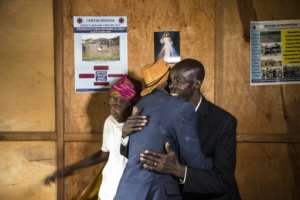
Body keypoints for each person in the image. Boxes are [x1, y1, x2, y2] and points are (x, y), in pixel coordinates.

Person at [124, 58, 241, 200]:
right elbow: (143, 155)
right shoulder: (161, 111)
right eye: (171, 81)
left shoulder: (223, 122)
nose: (172, 86)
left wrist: (179, 170)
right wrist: (125, 135)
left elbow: (223, 182)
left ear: (197, 84)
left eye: (178, 81)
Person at [114, 59, 212, 200]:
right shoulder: (181, 108)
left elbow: (133, 153)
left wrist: (124, 136)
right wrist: (213, 163)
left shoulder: (140, 105)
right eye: (174, 79)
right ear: (168, 80)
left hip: (127, 192)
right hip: (157, 193)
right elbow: (195, 163)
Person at [44, 76, 140, 200]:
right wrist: (71, 168)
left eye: (119, 104)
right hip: (107, 192)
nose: (113, 110)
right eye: (112, 104)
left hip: (130, 193)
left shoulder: (139, 124)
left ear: (131, 103)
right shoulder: (110, 122)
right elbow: (104, 154)